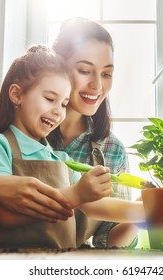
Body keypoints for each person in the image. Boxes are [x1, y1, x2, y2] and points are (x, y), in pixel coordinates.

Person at [0, 44, 144, 248]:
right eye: (49, 99)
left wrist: (144, 211)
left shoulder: (61, 160)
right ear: (17, 94)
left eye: (63, 104)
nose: (58, 112)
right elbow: (7, 215)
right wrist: (76, 194)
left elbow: (94, 205)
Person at [47, 18, 139, 248]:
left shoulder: (111, 150)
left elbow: (109, 241)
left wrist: (143, 213)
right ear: (57, 66)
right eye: (85, 70)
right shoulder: (16, 133)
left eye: (106, 74)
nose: (97, 85)